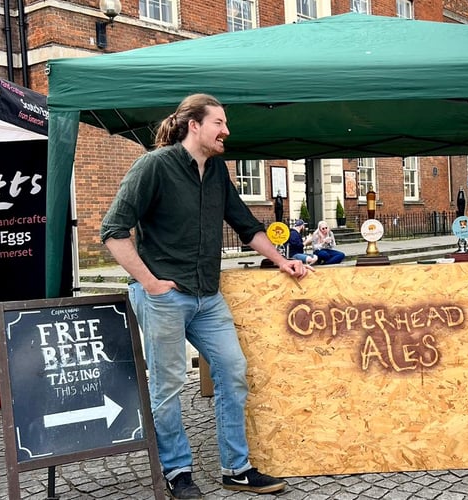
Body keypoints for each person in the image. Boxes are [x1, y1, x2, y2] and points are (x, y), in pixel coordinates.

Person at [100, 93, 311, 500]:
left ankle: (236, 468)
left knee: (232, 371)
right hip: (164, 296)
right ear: (194, 124)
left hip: (207, 297)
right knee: (168, 384)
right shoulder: (154, 166)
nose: (226, 131)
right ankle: (177, 471)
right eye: (219, 122)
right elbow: (114, 231)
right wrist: (149, 282)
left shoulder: (217, 171)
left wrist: (282, 260)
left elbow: (246, 225)